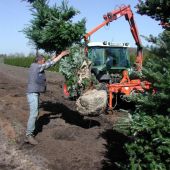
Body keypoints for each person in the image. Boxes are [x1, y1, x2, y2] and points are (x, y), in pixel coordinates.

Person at [25, 50, 69, 145]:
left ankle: (29, 133)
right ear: (39, 61)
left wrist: (55, 55)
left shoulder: (35, 65)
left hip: (34, 93)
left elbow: (49, 61)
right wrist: (61, 55)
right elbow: (50, 64)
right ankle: (29, 135)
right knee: (34, 114)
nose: (45, 61)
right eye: (43, 60)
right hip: (32, 94)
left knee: (34, 113)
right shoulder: (37, 67)